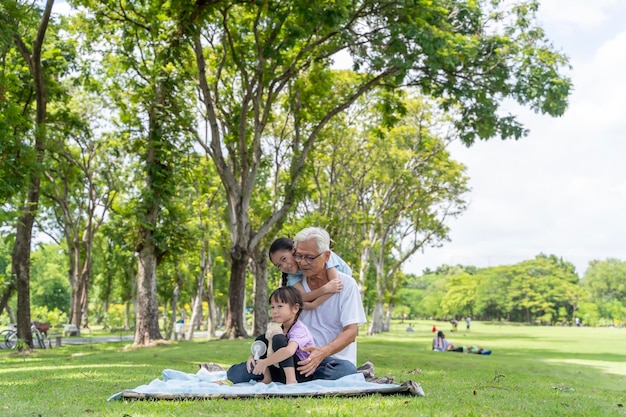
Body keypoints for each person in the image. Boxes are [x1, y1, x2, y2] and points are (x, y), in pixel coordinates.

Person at [227, 227, 366, 383]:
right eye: (299, 256)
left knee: (344, 371)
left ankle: (284, 377)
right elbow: (281, 328)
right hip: (293, 358)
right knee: (237, 374)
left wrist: (321, 353)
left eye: (310, 258)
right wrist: (260, 353)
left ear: (326, 256)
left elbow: (351, 333)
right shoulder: (294, 290)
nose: (303, 263)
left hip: (329, 360)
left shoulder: (346, 285)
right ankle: (284, 375)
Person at [247, 286, 315, 384]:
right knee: (262, 338)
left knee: (278, 339)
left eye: (280, 306)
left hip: (301, 373)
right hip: (281, 370)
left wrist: (265, 362)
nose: (275, 311)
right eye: (272, 307)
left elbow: (289, 351)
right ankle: (267, 378)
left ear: (295, 308)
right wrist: (254, 356)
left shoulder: (300, 329)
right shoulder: (281, 329)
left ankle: (291, 381)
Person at [269, 237, 352, 310]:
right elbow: (302, 297)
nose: (284, 266)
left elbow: (335, 285)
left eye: (284, 259)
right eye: (279, 265)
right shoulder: (292, 275)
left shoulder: (319, 255)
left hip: (345, 285)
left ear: (294, 250)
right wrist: (323, 290)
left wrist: (314, 304)